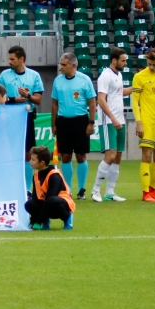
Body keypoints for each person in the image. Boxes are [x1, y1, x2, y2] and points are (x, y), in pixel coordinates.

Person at [51, 53, 98, 200]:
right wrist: (53, 123)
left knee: (81, 155)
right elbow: (54, 103)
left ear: (73, 65)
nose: (61, 67)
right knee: (65, 156)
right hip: (63, 121)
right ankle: (67, 189)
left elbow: (92, 103)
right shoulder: (57, 81)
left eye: (64, 65)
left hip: (81, 121)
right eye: (61, 64)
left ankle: (81, 189)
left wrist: (91, 122)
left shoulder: (85, 80)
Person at [0, 46, 45, 184]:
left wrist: (27, 95)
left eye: (12, 59)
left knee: (27, 153)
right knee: (8, 152)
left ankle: (27, 187)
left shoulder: (34, 75)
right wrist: (13, 99)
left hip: (26, 117)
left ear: (21, 59)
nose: (9, 61)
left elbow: (38, 99)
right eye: (9, 58)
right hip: (8, 117)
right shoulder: (4, 76)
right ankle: (9, 184)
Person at [92, 48, 132, 202]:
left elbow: (119, 92)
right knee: (110, 155)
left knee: (118, 156)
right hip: (109, 121)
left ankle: (110, 192)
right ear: (114, 60)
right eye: (123, 60)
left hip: (119, 120)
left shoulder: (119, 75)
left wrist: (136, 89)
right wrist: (113, 118)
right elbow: (101, 99)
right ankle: (95, 190)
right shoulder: (105, 76)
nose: (125, 63)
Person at [131, 48, 155, 201]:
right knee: (147, 155)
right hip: (146, 121)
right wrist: (138, 122)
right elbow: (134, 101)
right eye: (149, 64)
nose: (152, 67)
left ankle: (154, 190)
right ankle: (145, 192)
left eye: (154, 64)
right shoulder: (139, 77)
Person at [25, 146, 76, 230]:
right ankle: (44, 221)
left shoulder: (54, 175)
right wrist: (32, 220)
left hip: (61, 204)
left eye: (33, 160)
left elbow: (50, 198)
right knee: (29, 204)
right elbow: (35, 197)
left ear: (42, 163)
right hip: (47, 204)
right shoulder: (36, 175)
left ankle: (67, 218)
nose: (30, 161)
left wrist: (38, 221)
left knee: (52, 200)